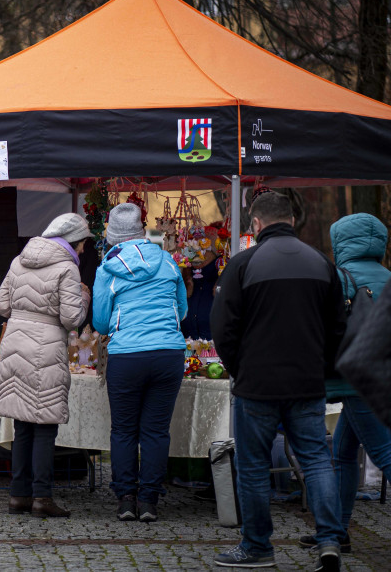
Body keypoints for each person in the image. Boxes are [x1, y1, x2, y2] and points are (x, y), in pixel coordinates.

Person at [211, 192, 346, 571]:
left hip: (257, 384)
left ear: (255, 224)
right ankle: (330, 541)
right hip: (306, 382)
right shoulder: (321, 263)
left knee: (252, 467)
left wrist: (240, 367)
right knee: (318, 460)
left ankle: (257, 547)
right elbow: (338, 328)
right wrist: (320, 367)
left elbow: (223, 328)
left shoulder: (242, 264)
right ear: (291, 220)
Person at [294, 213, 391, 554]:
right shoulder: (388, 278)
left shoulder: (337, 278)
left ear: (340, 243)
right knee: (343, 453)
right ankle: (336, 533)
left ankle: (334, 532)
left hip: (355, 378)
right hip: (382, 377)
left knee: (384, 451)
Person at [92, 202, 187, 523]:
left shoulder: (107, 268)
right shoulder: (169, 261)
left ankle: (126, 500)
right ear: (141, 232)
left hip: (127, 356)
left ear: (112, 238)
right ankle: (149, 501)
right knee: (157, 432)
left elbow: (101, 323)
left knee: (123, 431)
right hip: (168, 353)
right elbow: (182, 311)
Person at [0, 212, 92, 518]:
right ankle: (42, 498)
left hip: (16, 342)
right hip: (47, 347)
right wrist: (84, 297)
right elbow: (72, 318)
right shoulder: (67, 268)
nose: (83, 251)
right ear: (72, 242)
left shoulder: (18, 261)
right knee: (45, 426)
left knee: (23, 424)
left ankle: (18, 495)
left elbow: (1, 305)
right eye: (82, 245)